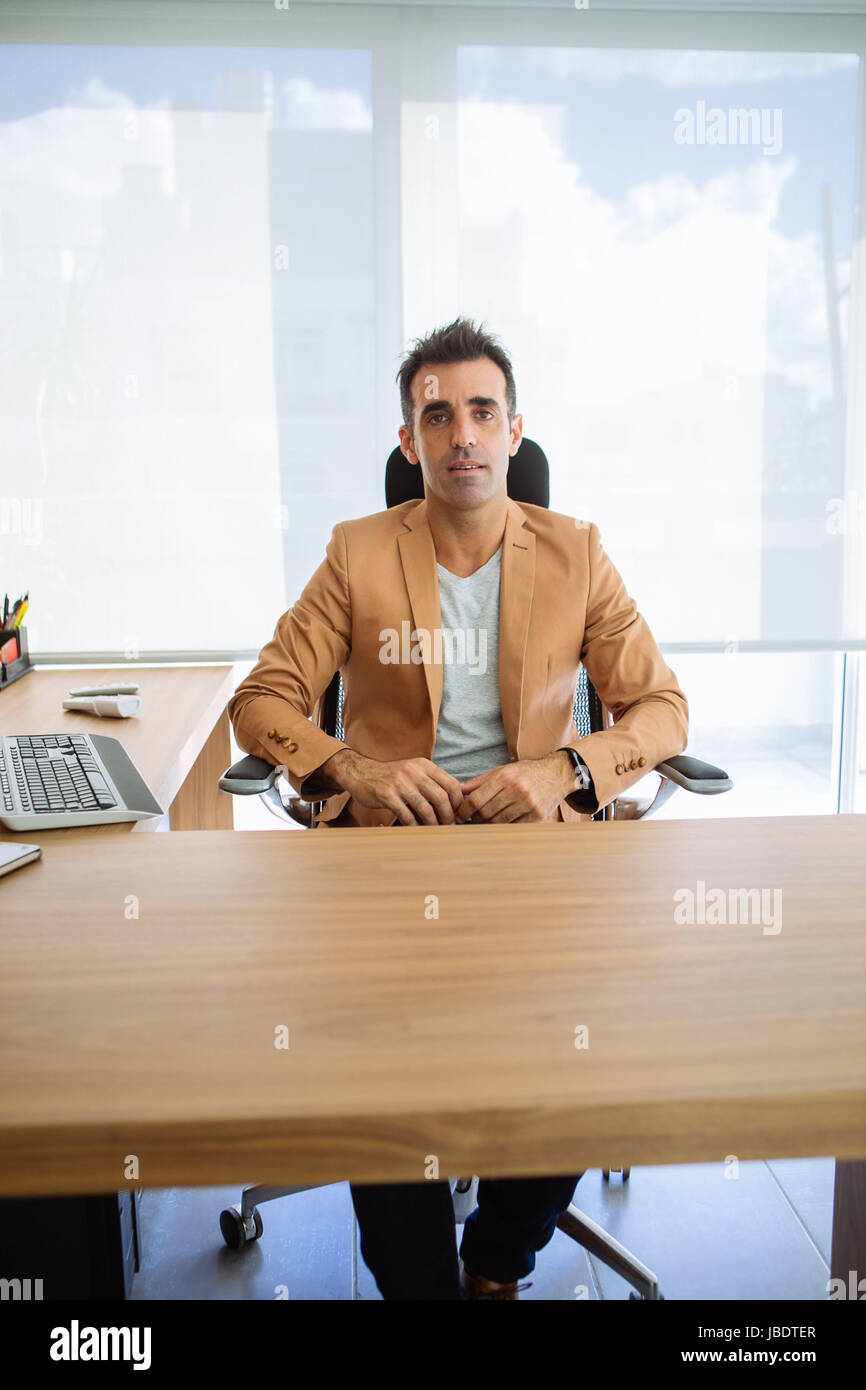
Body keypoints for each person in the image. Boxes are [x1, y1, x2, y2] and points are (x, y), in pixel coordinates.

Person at [228, 316, 688, 1299]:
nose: (462, 435)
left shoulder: (576, 551)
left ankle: (496, 1260)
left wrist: (565, 765)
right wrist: (350, 766)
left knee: (579, 1046)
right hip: (388, 863)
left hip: (537, 864)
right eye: (437, 416)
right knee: (379, 1078)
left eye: (481, 412)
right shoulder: (356, 553)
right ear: (410, 442)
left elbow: (661, 708)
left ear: (514, 432)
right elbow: (261, 702)